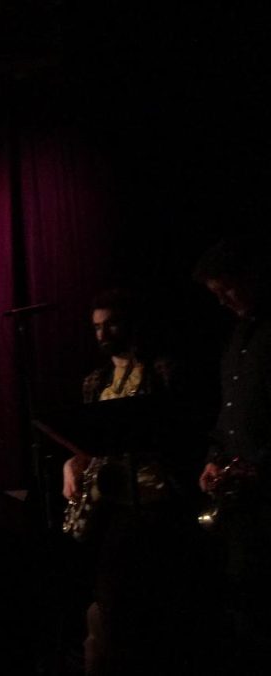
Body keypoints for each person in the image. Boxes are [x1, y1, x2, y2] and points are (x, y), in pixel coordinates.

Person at [193, 235, 271, 666]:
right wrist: (214, 457)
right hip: (244, 503)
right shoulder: (238, 335)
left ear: (252, 276)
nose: (223, 301)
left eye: (228, 290)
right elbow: (229, 413)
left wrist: (257, 466)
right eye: (216, 295)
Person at [60, 289, 178, 540]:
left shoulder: (159, 370)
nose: (102, 335)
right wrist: (73, 463)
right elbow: (92, 443)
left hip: (151, 496)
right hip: (110, 502)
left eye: (111, 324)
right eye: (96, 327)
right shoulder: (95, 381)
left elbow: (175, 432)